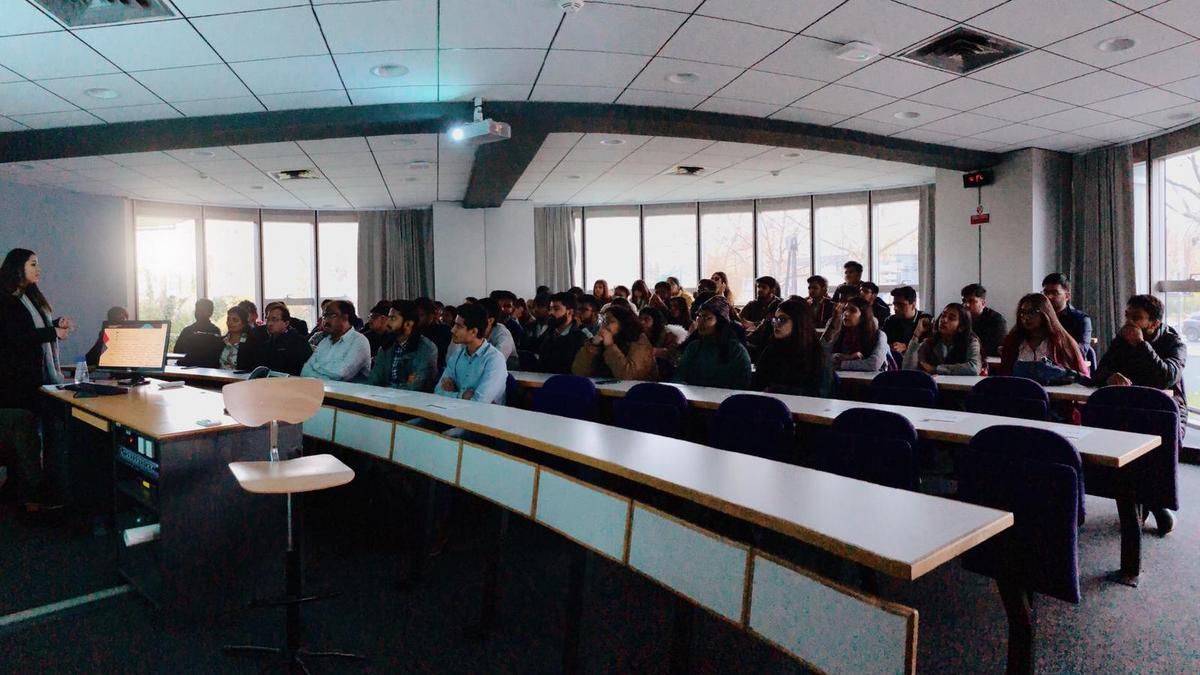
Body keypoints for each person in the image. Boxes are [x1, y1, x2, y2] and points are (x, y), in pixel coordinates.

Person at [0, 248, 75, 512]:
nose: (38, 269)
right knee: (28, 435)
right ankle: (34, 492)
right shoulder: (6, 300)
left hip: (34, 381)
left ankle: (22, 488)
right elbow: (15, 338)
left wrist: (54, 323)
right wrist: (52, 333)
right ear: (17, 267)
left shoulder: (27, 297)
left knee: (39, 432)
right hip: (15, 385)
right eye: (33, 264)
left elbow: (29, 329)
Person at [1094, 294, 1188, 434]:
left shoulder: (1175, 344)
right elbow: (1099, 371)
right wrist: (1109, 376)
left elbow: (1166, 378)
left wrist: (1140, 344)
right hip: (1129, 404)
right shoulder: (1122, 340)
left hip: (1164, 409)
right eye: (1127, 316)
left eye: (1136, 318)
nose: (1128, 322)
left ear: (1154, 324)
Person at [996, 293, 1088, 377]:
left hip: (1056, 390)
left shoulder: (1062, 342)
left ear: (1045, 313)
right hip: (1020, 389)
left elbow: (1083, 377)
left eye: (1032, 312)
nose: (1026, 317)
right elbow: (1004, 375)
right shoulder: (1013, 341)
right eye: (1022, 313)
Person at [673, 296, 752, 389]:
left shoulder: (736, 350)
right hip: (693, 396)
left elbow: (742, 383)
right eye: (699, 317)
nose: (700, 322)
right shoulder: (694, 347)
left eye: (707, 318)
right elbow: (679, 375)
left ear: (720, 322)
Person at [436, 303, 508, 404]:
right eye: (454, 325)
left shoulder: (494, 359)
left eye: (458, 326)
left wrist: (452, 393)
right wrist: (462, 395)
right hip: (454, 409)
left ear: (474, 332)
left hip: (485, 413)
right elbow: (438, 391)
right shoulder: (457, 354)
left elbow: (480, 401)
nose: (452, 330)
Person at [752, 299, 826, 396]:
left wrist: (776, 390)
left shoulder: (814, 353)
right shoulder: (771, 350)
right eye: (775, 319)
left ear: (798, 322)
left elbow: (815, 392)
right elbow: (757, 385)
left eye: (782, 320)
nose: (776, 324)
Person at [367, 300, 439, 392]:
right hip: (383, 397)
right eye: (388, 318)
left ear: (408, 324)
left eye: (393, 318)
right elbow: (373, 380)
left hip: (411, 400)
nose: (387, 323)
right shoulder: (386, 346)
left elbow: (415, 388)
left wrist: (387, 389)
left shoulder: (426, 349)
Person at [572, 305, 658, 381]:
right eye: (603, 322)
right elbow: (578, 372)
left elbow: (629, 376)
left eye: (610, 321)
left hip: (634, 391)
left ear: (623, 324)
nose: (604, 326)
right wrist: (593, 346)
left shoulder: (639, 341)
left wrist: (610, 346)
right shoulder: (599, 343)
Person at [902, 303, 983, 375]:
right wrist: (916, 334)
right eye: (943, 315)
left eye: (951, 318)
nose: (944, 320)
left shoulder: (971, 341)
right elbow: (907, 369)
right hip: (937, 386)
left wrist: (935, 369)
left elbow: (974, 367)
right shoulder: (930, 342)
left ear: (961, 327)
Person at [301, 300, 371, 382]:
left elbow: (340, 374)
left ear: (345, 317)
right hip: (323, 388)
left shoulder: (359, 341)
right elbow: (305, 371)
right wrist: (325, 377)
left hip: (349, 390)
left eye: (331, 315)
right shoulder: (325, 341)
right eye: (324, 316)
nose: (326, 320)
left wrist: (316, 366)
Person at [238, 303, 312, 376]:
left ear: (286, 323)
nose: (269, 323)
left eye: (274, 320)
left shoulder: (299, 342)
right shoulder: (265, 342)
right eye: (268, 319)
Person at [448, 297, 518, 370]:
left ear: (490, 320)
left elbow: (496, 362)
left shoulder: (503, 335)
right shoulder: (468, 331)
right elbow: (451, 359)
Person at [822, 297, 888, 372]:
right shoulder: (840, 332)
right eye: (844, 310)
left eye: (852, 311)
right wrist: (847, 357)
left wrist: (842, 364)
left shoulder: (879, 335)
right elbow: (821, 355)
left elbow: (874, 364)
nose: (846, 313)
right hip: (843, 377)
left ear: (863, 316)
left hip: (871, 379)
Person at [535, 292, 589, 374]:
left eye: (556, 309)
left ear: (569, 312)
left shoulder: (579, 339)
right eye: (550, 309)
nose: (551, 313)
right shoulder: (548, 335)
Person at [1042, 273, 1092, 347]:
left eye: (1054, 293)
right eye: (1046, 293)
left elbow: (1080, 351)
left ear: (1067, 296)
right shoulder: (1039, 317)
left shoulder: (1080, 320)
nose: (1048, 297)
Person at [961, 283, 1007, 358]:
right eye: (964, 301)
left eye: (971, 301)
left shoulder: (997, 320)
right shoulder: (960, 318)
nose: (966, 304)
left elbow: (997, 348)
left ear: (983, 303)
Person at [881, 286, 929, 356]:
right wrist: (890, 346)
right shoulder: (890, 320)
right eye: (894, 304)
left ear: (913, 305)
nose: (895, 308)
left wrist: (906, 346)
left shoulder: (924, 320)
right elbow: (882, 343)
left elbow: (928, 347)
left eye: (900, 305)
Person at [415, 296, 452, 367]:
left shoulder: (444, 330)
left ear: (431, 315)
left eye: (421, 315)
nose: (417, 319)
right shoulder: (413, 331)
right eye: (415, 315)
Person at [218, 305, 253, 370]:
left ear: (243, 324)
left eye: (235, 320)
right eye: (228, 319)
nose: (230, 323)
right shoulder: (221, 341)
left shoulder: (250, 343)